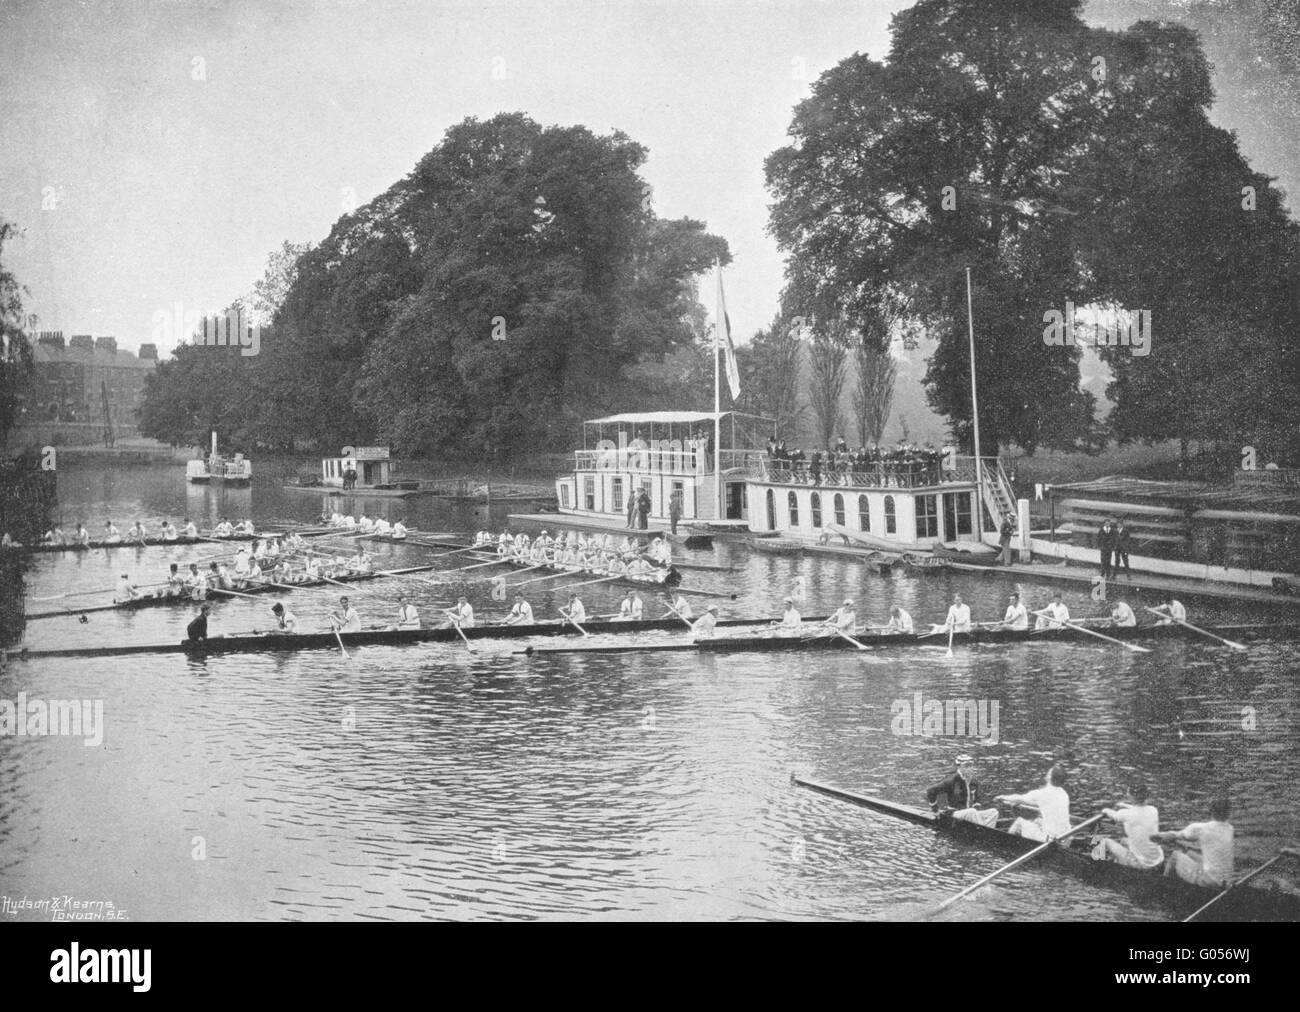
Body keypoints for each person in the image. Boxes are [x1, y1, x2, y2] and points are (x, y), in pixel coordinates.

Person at [1153, 799, 1234, 889]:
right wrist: (1185, 850)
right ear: (1229, 813)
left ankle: (1163, 887)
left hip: (1208, 880)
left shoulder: (1202, 828)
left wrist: (1157, 836)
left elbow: (1174, 835)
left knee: (1175, 855)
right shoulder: (1230, 829)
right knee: (1191, 853)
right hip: (1225, 881)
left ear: (1211, 811)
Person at [1091, 783, 1164, 870]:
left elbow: (1113, 815)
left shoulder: (1126, 814)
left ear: (1132, 797)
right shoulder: (1153, 810)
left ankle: (1099, 868)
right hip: (1159, 860)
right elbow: (1138, 810)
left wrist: (1105, 810)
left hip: (1142, 865)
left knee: (1105, 841)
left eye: (1128, 793)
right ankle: (1118, 864)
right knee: (1124, 841)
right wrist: (1125, 805)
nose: (1127, 794)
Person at [998, 764, 1070, 841]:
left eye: (1048, 773)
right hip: (1066, 838)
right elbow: (1046, 805)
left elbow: (1019, 798)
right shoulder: (1064, 795)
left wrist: (1002, 797)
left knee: (1019, 821)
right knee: (1036, 820)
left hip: (1051, 840)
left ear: (1049, 777)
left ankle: (1005, 844)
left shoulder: (1041, 793)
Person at [926, 755, 999, 828]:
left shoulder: (974, 781)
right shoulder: (952, 780)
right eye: (966, 766)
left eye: (971, 766)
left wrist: (977, 808)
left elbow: (977, 800)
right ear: (959, 767)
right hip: (955, 814)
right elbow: (930, 791)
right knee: (971, 812)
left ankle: (985, 830)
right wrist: (935, 811)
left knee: (994, 812)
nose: (970, 769)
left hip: (970, 813)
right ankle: (983, 831)